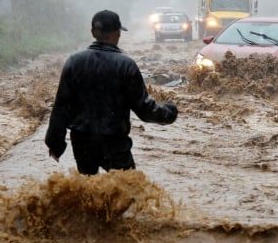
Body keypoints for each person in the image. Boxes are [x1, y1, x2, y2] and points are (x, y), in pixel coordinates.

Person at [45, 9, 178, 175]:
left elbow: (61, 107)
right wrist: (169, 112)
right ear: (118, 33)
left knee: (87, 191)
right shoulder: (126, 65)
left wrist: (55, 143)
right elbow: (144, 110)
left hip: (82, 142)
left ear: (93, 32)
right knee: (126, 190)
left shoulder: (74, 62)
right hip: (115, 143)